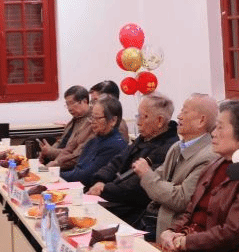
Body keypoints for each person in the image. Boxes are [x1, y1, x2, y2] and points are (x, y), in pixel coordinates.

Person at [159, 100, 239, 252]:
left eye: (220, 128)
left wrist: (186, 242)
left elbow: (232, 233)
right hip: (187, 250)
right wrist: (171, 232)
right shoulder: (215, 165)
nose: (213, 133)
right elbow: (190, 211)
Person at [85, 92, 178, 224]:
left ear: (160, 121)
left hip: (135, 210)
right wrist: (101, 180)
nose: (138, 122)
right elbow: (117, 161)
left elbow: (137, 187)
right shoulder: (144, 137)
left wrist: (105, 189)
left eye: (143, 116)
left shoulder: (168, 148)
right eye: (137, 115)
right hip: (114, 197)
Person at [135, 93, 218, 237]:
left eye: (185, 112)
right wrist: (155, 181)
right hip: (156, 220)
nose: (179, 116)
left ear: (201, 120)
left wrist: (147, 175)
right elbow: (159, 178)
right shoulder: (177, 147)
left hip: (176, 231)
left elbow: (181, 199)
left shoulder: (209, 156)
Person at [60, 96, 127, 184]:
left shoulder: (115, 145)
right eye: (92, 117)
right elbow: (78, 168)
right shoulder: (94, 140)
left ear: (113, 121)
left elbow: (86, 176)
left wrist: (57, 175)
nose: (92, 122)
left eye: (97, 118)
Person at [40, 85, 93, 170]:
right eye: (67, 104)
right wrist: (47, 151)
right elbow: (61, 141)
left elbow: (75, 153)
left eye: (72, 103)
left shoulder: (91, 123)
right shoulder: (75, 119)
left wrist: (51, 152)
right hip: (57, 160)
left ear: (85, 101)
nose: (69, 108)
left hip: (69, 165)